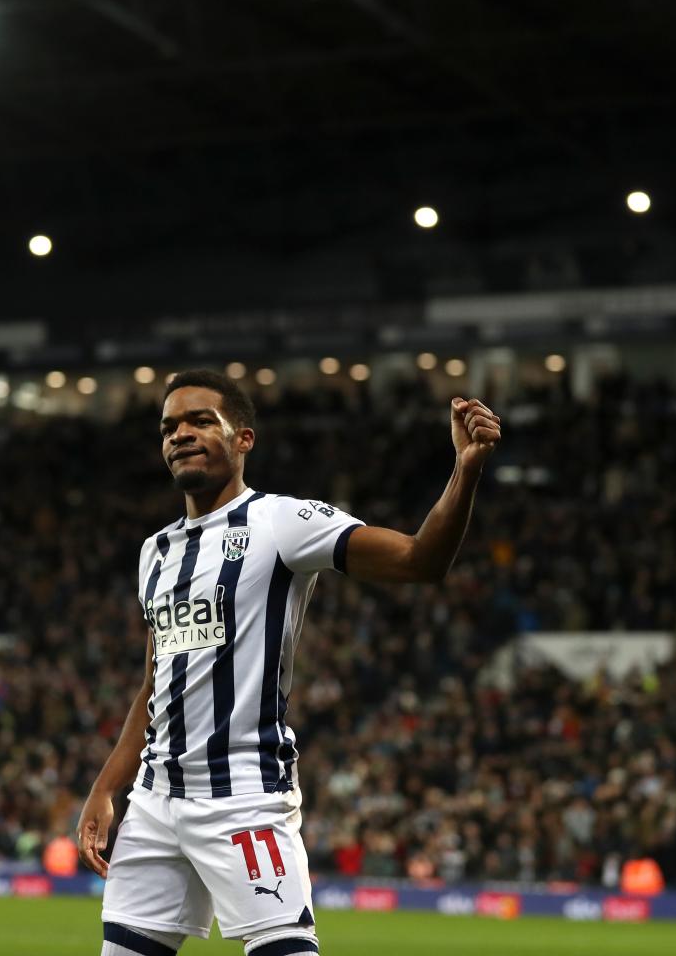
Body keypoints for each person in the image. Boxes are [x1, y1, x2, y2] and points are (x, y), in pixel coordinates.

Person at [77, 368, 501, 956]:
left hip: (244, 796)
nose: (181, 434)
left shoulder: (280, 522)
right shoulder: (156, 551)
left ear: (243, 438)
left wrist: (465, 470)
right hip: (153, 801)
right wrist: (106, 787)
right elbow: (155, 684)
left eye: (201, 420)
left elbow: (419, 561)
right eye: (170, 426)